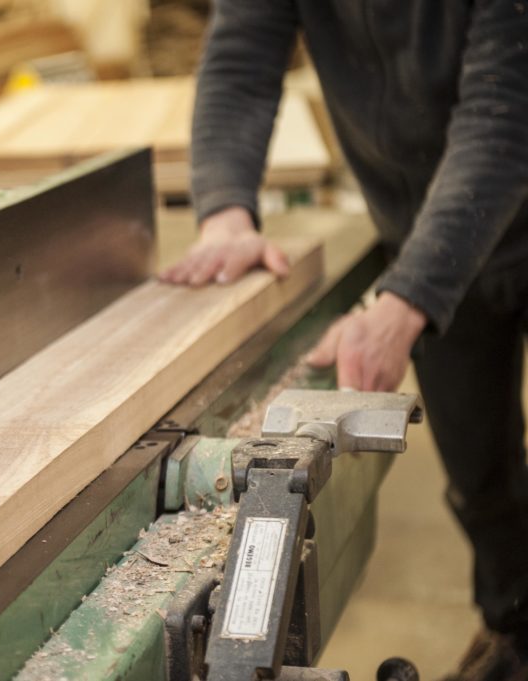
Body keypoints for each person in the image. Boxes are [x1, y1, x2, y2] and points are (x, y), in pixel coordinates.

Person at [160, 3, 528, 679]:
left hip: (482, 210)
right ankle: (517, 627)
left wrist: (408, 297)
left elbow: (506, 115)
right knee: (482, 475)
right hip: (432, 235)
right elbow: (242, 58)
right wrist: (225, 214)